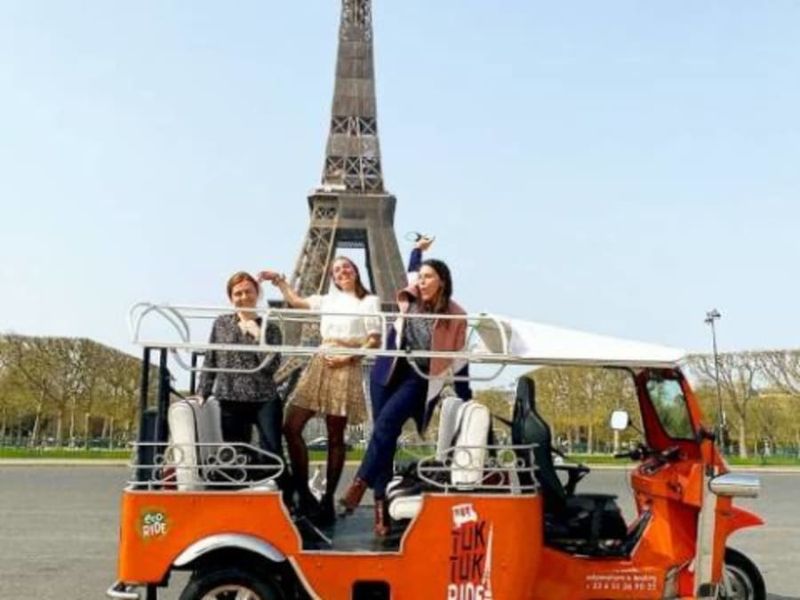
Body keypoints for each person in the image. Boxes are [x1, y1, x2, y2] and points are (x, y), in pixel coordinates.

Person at [339, 238, 472, 536]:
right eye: (421, 277)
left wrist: (467, 400)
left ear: (442, 281)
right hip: (387, 371)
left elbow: (461, 361)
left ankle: (360, 482)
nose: (421, 281)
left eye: (428, 277)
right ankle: (380, 510)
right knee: (384, 436)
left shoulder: (456, 315)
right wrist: (417, 251)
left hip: (417, 378)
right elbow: (411, 269)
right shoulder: (411, 296)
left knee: (385, 427)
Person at [259, 257, 381, 524]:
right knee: (291, 426)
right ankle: (303, 492)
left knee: (335, 436)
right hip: (321, 360)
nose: (342, 271)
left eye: (346, 267)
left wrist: (348, 357)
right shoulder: (328, 299)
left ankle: (327, 499)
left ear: (356, 270)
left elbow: (374, 339)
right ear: (334, 277)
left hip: (346, 363)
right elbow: (297, 302)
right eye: (337, 269)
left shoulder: (369, 301)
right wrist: (280, 282)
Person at [197, 271, 288, 491]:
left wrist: (258, 335)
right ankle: (242, 496)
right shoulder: (221, 324)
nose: (243, 296)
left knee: (273, 451)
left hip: (263, 398)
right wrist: (203, 391)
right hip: (230, 398)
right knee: (237, 452)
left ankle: (286, 497)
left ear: (257, 294)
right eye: (237, 293)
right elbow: (211, 358)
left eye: (248, 291)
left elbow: (272, 367)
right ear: (231, 297)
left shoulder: (271, 328)